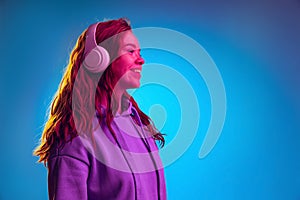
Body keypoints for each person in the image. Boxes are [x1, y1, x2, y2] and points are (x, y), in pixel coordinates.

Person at [33, 18, 167, 200]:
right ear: (100, 59)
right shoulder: (76, 138)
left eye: (139, 52)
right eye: (130, 51)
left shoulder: (138, 125)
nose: (141, 60)